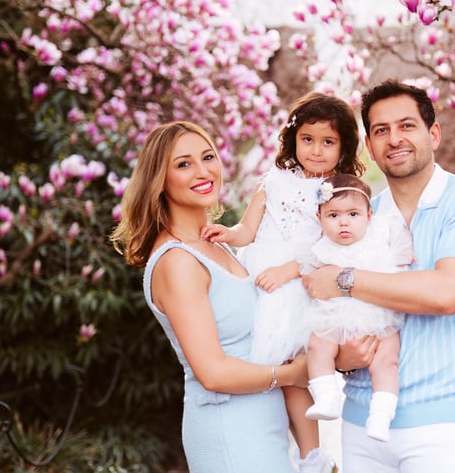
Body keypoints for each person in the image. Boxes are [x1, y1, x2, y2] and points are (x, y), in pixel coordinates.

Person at [302, 79, 455, 472]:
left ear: (434, 134)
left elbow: (447, 293)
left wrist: (344, 278)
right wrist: (343, 357)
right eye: (381, 131)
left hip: (440, 428)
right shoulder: (359, 217)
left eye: (407, 126)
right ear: (371, 148)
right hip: (359, 425)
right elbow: (329, 315)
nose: (394, 139)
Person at [110, 121, 308, 473]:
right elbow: (213, 372)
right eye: (184, 164)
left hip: (264, 429)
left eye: (208, 157)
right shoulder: (178, 261)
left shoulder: (216, 245)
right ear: (160, 180)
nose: (203, 172)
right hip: (229, 433)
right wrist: (292, 374)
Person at [200, 92, 364, 473]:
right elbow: (248, 229)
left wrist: (288, 271)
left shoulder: (340, 189)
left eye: (328, 142)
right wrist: (229, 233)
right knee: (257, 365)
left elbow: (334, 247)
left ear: (343, 147)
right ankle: (265, 450)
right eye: (308, 139)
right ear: (294, 140)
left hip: (299, 285)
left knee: (293, 371)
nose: (317, 150)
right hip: (260, 280)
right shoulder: (271, 182)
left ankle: (313, 457)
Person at [303, 173, 413, 444]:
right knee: (317, 346)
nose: (343, 222)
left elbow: (401, 267)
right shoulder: (320, 250)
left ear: (369, 215)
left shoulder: (381, 237)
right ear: (319, 219)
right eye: (333, 215)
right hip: (336, 316)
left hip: (379, 315)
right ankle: (326, 396)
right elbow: (309, 280)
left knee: (386, 361)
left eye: (353, 214)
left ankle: (381, 415)